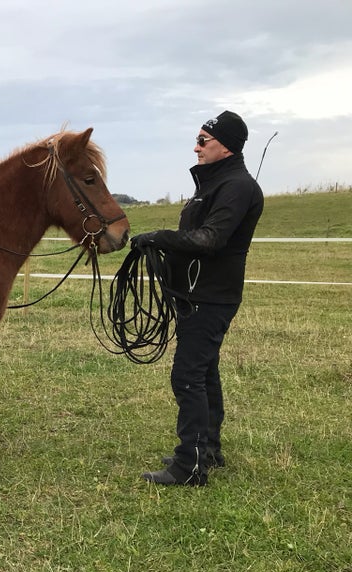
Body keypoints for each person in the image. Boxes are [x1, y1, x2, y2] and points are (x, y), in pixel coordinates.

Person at [131, 110, 264, 486]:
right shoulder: (215, 184)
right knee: (204, 371)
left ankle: (189, 466)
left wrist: (158, 236)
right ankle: (207, 449)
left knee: (187, 375)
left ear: (226, 146)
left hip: (211, 296)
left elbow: (210, 239)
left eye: (203, 141)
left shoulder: (236, 187)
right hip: (198, 293)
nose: (196, 147)